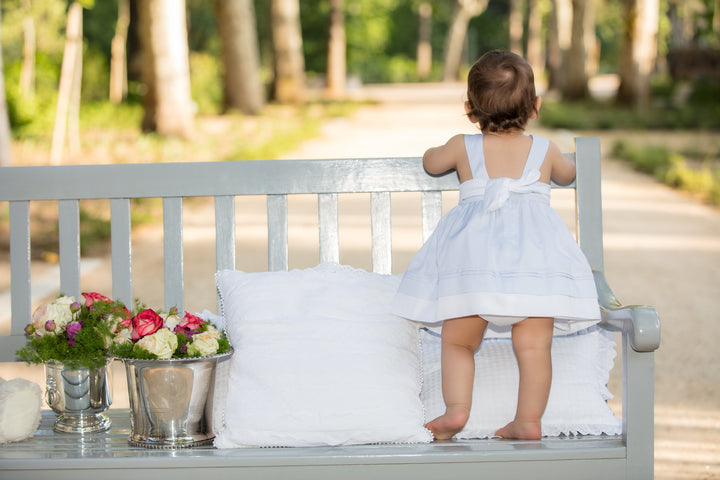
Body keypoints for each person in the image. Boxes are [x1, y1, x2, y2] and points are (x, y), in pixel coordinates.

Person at [392, 50, 601, 441]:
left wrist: (430, 152)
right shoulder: (546, 150)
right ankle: (528, 419)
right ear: (535, 107)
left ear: (470, 110)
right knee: (535, 348)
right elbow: (570, 173)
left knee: (458, 342)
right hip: (534, 271)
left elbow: (431, 163)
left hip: (475, 269)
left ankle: (456, 411)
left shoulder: (462, 145)